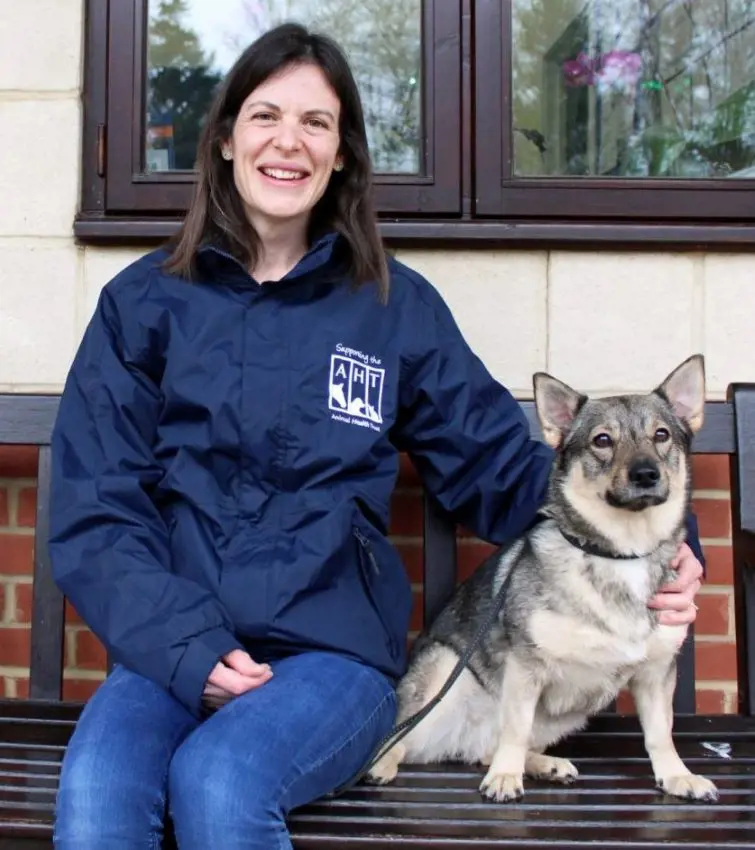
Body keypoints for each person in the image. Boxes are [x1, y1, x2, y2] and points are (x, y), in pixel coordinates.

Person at [49, 22, 705, 850]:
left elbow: (503, 472)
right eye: (264, 117)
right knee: (98, 797)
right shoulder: (143, 304)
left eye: (315, 124)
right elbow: (93, 503)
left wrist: (665, 552)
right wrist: (186, 647)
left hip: (335, 656)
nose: (288, 142)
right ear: (222, 141)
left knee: (218, 785)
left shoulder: (393, 307)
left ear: (342, 156)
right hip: (173, 648)